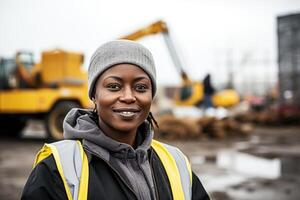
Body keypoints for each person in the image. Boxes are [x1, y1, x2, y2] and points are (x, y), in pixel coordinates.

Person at [21, 40, 210, 200]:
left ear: (152, 96)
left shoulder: (176, 162)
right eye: (114, 86)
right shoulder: (58, 168)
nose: (128, 96)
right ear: (94, 95)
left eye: (141, 87)